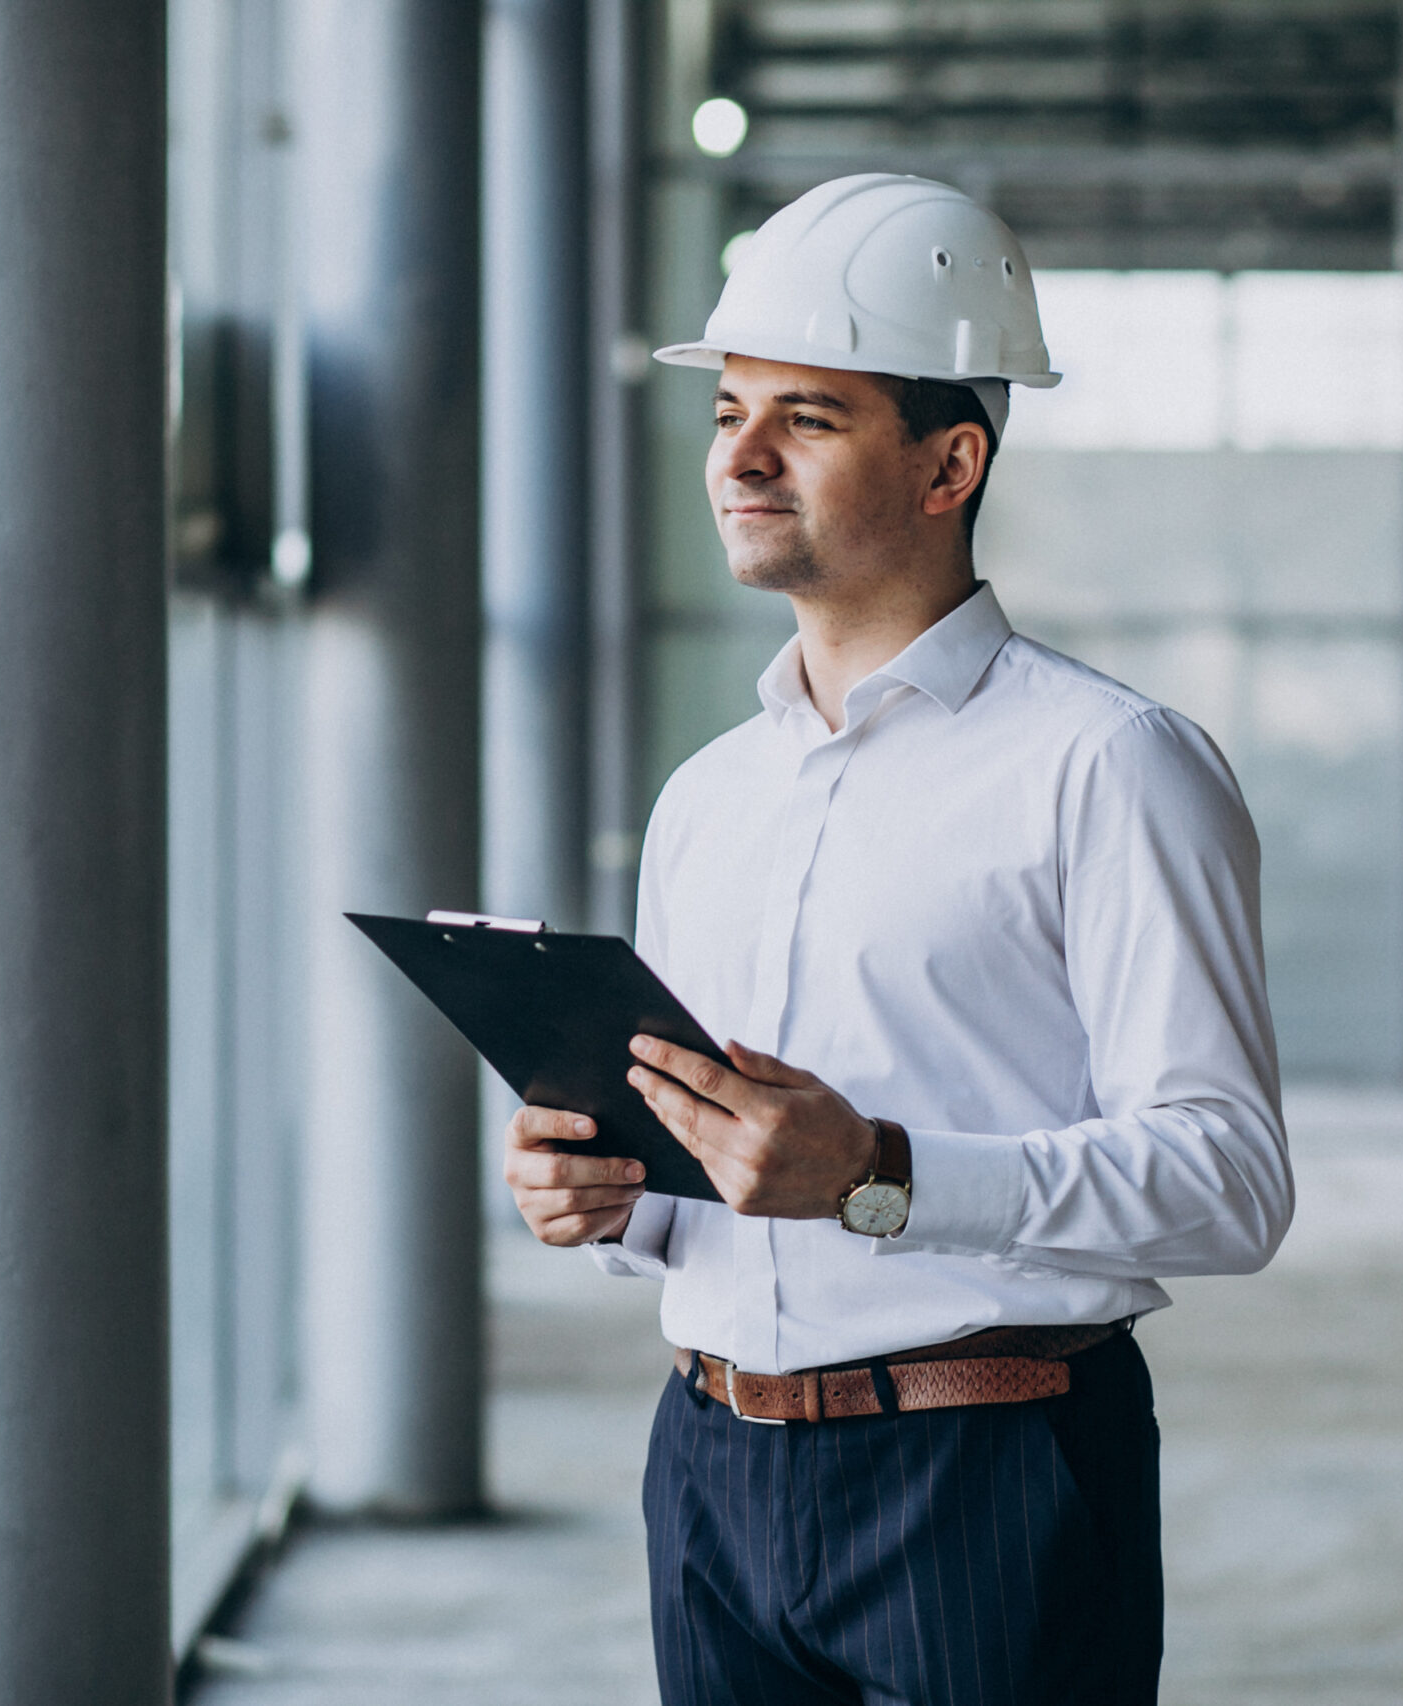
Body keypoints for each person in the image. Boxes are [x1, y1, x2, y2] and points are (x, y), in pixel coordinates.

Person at [502, 174, 1293, 1705]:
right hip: (712, 1468)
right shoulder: (705, 798)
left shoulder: (1109, 766)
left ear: (951, 463)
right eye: (729, 408)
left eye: (806, 416)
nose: (736, 456)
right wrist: (607, 1192)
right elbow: (710, 1188)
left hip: (986, 1465)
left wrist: (877, 1172)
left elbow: (1229, 1181)